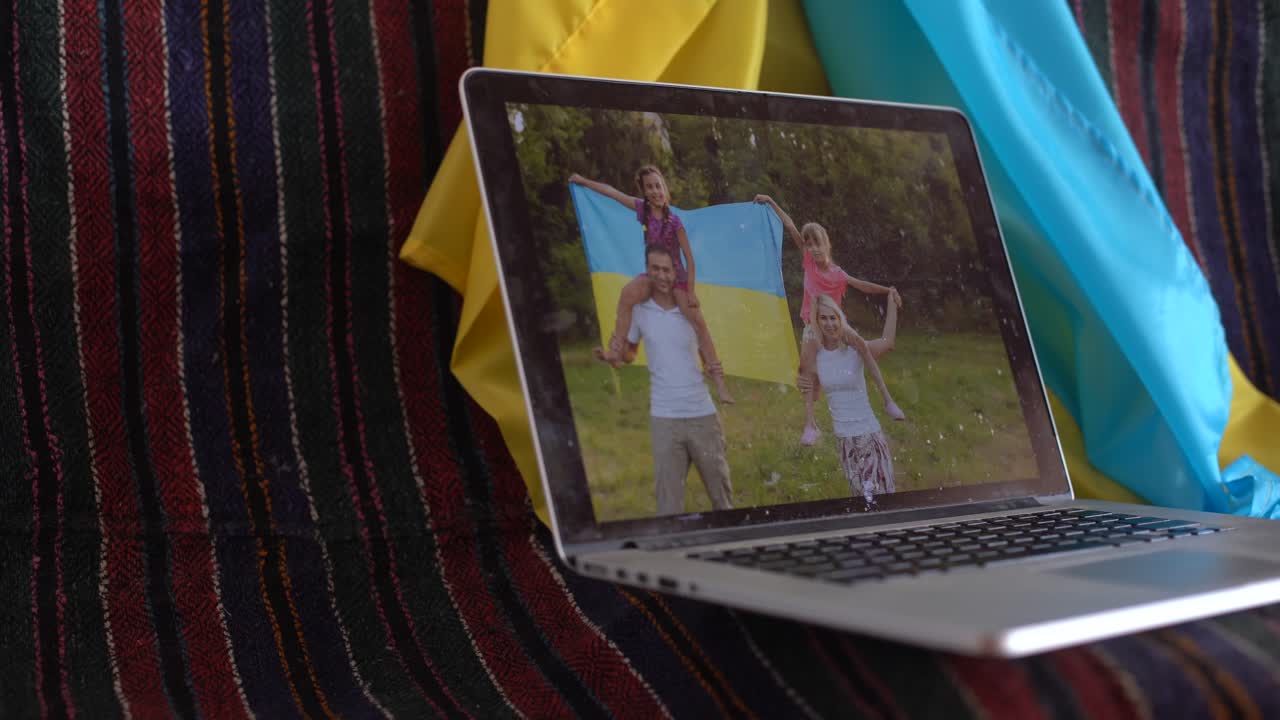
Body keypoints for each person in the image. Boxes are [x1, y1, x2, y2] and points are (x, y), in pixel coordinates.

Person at [570, 166, 734, 403]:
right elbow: (613, 193)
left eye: (658, 186)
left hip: (676, 279)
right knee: (628, 293)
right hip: (653, 278)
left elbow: (689, 258)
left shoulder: (674, 221)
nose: (655, 191)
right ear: (645, 192)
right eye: (650, 187)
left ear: (664, 188)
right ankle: (615, 352)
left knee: (699, 324)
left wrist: (690, 292)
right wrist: (583, 180)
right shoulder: (643, 211)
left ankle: (720, 384)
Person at [753, 194, 904, 446]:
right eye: (809, 244)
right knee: (806, 369)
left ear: (827, 244)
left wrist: (886, 290)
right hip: (814, 326)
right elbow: (790, 224)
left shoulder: (838, 274)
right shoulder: (808, 263)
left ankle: (888, 400)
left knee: (864, 346)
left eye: (817, 243)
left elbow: (863, 286)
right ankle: (810, 425)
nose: (813, 248)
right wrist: (770, 201)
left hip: (836, 325)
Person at [609, 244, 734, 516]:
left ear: (675, 272)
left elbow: (707, 349)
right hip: (664, 418)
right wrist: (617, 353)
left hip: (702, 415)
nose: (661, 276)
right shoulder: (640, 311)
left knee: (722, 501)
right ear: (647, 270)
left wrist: (715, 375)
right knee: (668, 507)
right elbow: (630, 354)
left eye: (667, 270)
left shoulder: (690, 309)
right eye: (655, 269)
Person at [798, 293, 900, 505]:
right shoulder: (818, 356)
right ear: (816, 321)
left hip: (868, 436)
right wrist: (801, 382)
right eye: (823, 318)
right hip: (845, 442)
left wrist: (891, 304)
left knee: (881, 502)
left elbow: (888, 343)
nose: (829, 323)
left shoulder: (855, 347)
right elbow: (813, 393)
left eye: (833, 317)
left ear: (840, 318)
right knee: (861, 503)